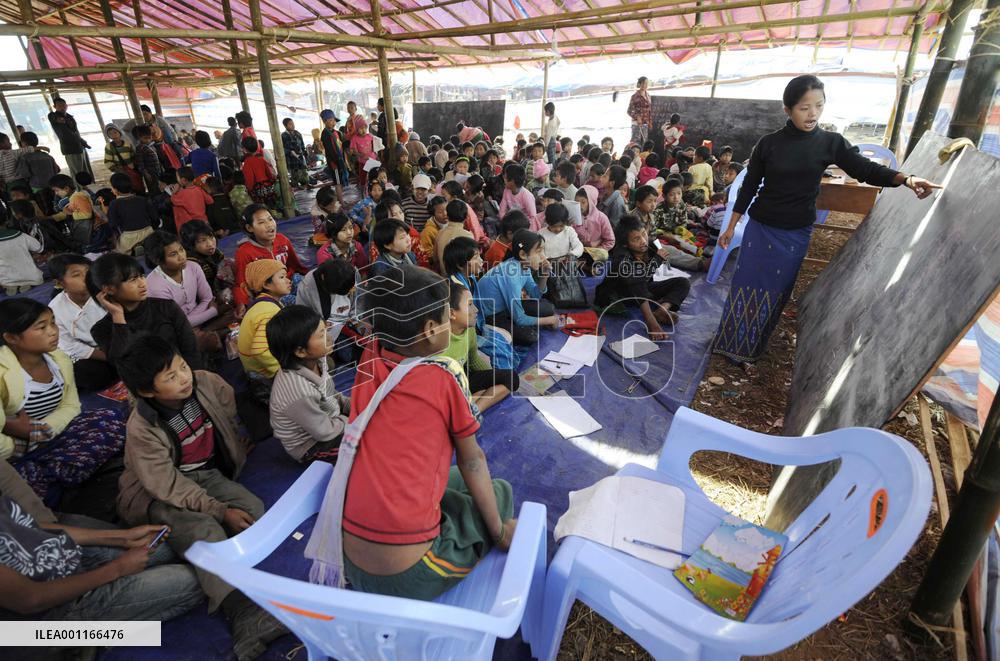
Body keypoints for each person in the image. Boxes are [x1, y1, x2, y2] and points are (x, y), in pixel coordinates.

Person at [306, 264, 515, 601]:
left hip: (350, 563)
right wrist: (500, 531)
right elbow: (472, 460)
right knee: (499, 491)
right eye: (447, 316)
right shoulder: (442, 377)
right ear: (431, 329)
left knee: (457, 489)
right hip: (410, 575)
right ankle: (482, 535)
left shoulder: (370, 355)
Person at [714, 74, 940, 368]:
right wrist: (731, 226)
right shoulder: (768, 144)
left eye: (819, 106)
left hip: (795, 232)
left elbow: (865, 169)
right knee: (747, 284)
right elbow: (748, 188)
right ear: (788, 109)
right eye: (804, 108)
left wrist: (906, 179)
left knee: (775, 290)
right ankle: (730, 343)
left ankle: (751, 347)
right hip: (761, 228)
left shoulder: (830, 143)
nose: (813, 114)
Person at [115, 335, 289, 659]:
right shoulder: (142, 429)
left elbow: (228, 409)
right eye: (170, 376)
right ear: (147, 391)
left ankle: (214, 560)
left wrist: (235, 443)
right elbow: (167, 485)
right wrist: (219, 511)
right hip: (157, 492)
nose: (184, 378)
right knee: (204, 530)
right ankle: (241, 611)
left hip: (205, 472)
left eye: (182, 366)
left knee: (252, 509)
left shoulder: (205, 383)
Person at [0, 474, 203, 624]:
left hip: (61, 558)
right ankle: (80, 640)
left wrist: (122, 538)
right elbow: (30, 599)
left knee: (170, 548)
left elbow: (25, 526)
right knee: (197, 581)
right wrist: (118, 568)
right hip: (47, 616)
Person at [0, 298, 125, 502]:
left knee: (110, 420)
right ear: (12, 338)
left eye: (52, 322)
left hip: (50, 434)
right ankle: (53, 478)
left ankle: (50, 478)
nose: (53, 331)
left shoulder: (58, 358)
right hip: (14, 453)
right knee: (16, 488)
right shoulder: (3, 374)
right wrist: (21, 444)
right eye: (41, 327)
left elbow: (71, 407)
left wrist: (37, 432)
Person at [89, 252, 202, 370]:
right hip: (144, 386)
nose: (142, 283)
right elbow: (122, 362)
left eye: (142, 276)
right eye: (133, 279)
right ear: (109, 289)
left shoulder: (166, 307)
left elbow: (190, 350)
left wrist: (194, 378)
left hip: (183, 375)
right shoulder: (101, 330)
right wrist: (118, 317)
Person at [268, 304, 350, 465]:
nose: (329, 337)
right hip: (312, 445)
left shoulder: (318, 360)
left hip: (326, 421)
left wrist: (351, 406)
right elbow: (324, 432)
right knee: (365, 444)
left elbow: (331, 394)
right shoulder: (299, 392)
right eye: (321, 335)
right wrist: (353, 421)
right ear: (300, 351)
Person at [595, 215, 691, 341]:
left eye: (643, 234)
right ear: (625, 244)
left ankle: (662, 310)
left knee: (683, 282)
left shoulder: (649, 246)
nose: (643, 241)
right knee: (637, 281)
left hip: (642, 289)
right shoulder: (621, 257)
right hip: (618, 296)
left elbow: (645, 277)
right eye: (636, 239)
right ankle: (651, 321)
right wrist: (657, 260)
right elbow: (637, 280)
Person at [440, 281, 517, 412]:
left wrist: (491, 376)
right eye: (469, 305)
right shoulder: (438, 344)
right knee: (481, 393)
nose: (476, 310)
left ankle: (473, 411)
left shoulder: (469, 330)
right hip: (444, 392)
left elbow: (474, 359)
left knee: (510, 378)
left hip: (462, 381)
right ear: (452, 313)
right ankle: (463, 411)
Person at [47, 254, 118, 392]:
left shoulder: (107, 293)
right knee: (84, 372)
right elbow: (70, 345)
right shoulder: (55, 309)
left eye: (88, 272)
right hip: (98, 354)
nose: (86, 278)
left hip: (122, 343)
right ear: (60, 283)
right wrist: (110, 357)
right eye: (76, 274)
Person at [476, 230, 559, 346]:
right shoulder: (511, 275)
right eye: (538, 251)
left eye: (543, 251)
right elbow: (520, 319)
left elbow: (536, 295)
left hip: (506, 307)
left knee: (548, 308)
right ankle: (491, 327)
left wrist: (545, 274)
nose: (543, 257)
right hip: (490, 315)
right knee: (531, 336)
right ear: (523, 254)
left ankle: (513, 320)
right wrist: (550, 320)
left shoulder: (523, 265)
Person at [143, 232, 223, 354]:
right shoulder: (155, 286)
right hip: (177, 330)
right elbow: (177, 323)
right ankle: (212, 336)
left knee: (230, 304)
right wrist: (213, 312)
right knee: (197, 339)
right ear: (157, 260)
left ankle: (210, 334)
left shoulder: (193, 267)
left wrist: (195, 318)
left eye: (181, 250)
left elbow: (207, 298)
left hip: (194, 318)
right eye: (173, 254)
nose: (181, 256)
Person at [233, 204, 307, 314]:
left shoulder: (283, 240)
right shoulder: (244, 252)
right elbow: (241, 283)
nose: (269, 225)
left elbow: (295, 264)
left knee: (310, 288)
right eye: (261, 222)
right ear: (249, 228)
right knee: (300, 304)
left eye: (270, 219)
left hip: (287, 282)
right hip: (270, 292)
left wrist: (309, 276)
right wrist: (242, 302)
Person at [238, 259, 291, 395]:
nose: (288, 280)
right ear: (266, 284)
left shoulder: (263, 304)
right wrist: (284, 373)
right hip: (263, 377)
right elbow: (260, 350)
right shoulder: (268, 311)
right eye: (282, 277)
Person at [651, 179, 706, 271]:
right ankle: (697, 262)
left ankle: (699, 256)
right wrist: (666, 235)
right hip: (663, 236)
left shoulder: (681, 205)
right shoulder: (658, 209)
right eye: (672, 195)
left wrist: (678, 234)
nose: (676, 197)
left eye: (679, 194)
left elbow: (683, 224)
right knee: (669, 248)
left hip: (677, 232)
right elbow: (654, 229)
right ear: (664, 196)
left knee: (692, 242)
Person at [181, 220, 235, 302]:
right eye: (202, 240)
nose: (210, 244)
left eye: (211, 237)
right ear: (191, 245)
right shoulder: (191, 265)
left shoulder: (215, 253)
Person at [107, 172, 157, 254]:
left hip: (129, 238)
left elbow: (113, 224)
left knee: (121, 254)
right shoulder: (142, 199)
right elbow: (155, 218)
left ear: (115, 190)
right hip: (149, 234)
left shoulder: (114, 204)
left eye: (111, 188)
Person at [47, 97, 92, 180]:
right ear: (54, 107)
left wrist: (82, 142)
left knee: (83, 168)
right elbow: (53, 118)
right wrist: (58, 119)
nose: (62, 107)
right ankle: (79, 188)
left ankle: (85, 184)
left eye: (63, 105)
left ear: (66, 106)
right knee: (76, 170)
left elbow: (75, 132)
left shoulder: (70, 117)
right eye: (59, 106)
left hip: (79, 145)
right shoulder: (52, 115)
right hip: (69, 148)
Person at [0, 213, 43, 295]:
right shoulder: (19, 234)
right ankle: (25, 282)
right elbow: (38, 247)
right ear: (6, 221)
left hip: (6, 280)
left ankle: (11, 285)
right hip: (32, 277)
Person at [573, 184, 615, 265]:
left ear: (591, 202)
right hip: (579, 251)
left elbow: (610, 240)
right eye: (576, 202)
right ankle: (585, 265)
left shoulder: (601, 218)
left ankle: (585, 265)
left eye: (583, 202)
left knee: (603, 255)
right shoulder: (573, 218)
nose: (579, 205)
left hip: (595, 252)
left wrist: (597, 250)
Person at [15, 132, 60, 206]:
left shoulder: (24, 158)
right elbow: (57, 170)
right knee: (56, 205)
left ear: (24, 143)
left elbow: (25, 174)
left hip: (37, 188)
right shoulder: (47, 155)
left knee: (45, 207)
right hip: (53, 186)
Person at [172, 166, 214, 233]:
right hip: (205, 221)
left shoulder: (182, 194)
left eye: (177, 177)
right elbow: (210, 200)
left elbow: (173, 201)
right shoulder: (199, 189)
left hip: (194, 225)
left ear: (183, 180)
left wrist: (174, 192)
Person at [319, 109, 348, 205]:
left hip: (340, 160)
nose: (334, 122)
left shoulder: (336, 132)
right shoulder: (325, 134)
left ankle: (340, 199)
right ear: (324, 121)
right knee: (338, 182)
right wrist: (338, 162)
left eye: (334, 120)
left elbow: (342, 144)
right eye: (331, 120)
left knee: (341, 180)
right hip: (334, 163)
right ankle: (341, 202)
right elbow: (330, 151)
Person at [241, 137, 278, 209]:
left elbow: (249, 180)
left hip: (257, 190)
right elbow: (270, 174)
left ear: (244, 149)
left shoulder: (247, 162)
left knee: (261, 208)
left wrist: (248, 189)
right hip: (268, 188)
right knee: (271, 207)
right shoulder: (261, 158)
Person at [420, 196, 451, 273]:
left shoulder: (453, 222)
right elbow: (426, 254)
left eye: (447, 210)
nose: (445, 214)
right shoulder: (427, 231)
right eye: (440, 212)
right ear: (433, 213)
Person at [348, 116, 377, 193]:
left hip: (372, 161)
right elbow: (352, 151)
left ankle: (373, 191)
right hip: (362, 162)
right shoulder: (355, 138)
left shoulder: (370, 136)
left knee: (374, 177)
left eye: (364, 128)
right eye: (361, 128)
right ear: (357, 129)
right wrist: (361, 155)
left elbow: (375, 146)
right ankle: (363, 193)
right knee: (363, 179)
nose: (363, 130)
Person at [132, 125, 162, 196]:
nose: (148, 140)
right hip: (150, 173)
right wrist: (146, 173)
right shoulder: (140, 148)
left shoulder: (150, 145)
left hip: (157, 171)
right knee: (153, 189)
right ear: (139, 138)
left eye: (149, 137)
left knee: (159, 186)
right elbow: (140, 163)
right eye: (145, 138)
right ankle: (155, 202)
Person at [280, 118, 310, 189]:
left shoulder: (298, 133)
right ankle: (296, 191)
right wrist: (290, 152)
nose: (293, 125)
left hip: (300, 158)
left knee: (304, 176)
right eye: (290, 124)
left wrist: (305, 155)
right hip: (291, 160)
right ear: (285, 126)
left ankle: (305, 186)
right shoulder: (283, 136)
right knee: (294, 178)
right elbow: (282, 149)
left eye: (293, 123)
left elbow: (302, 146)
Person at [627, 77, 652, 146]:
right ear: (639, 84)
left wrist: (650, 122)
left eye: (647, 83)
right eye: (644, 83)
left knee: (645, 143)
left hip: (645, 124)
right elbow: (629, 111)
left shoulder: (648, 96)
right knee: (635, 143)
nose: (645, 85)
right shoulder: (635, 96)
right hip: (637, 124)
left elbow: (649, 110)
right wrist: (637, 117)